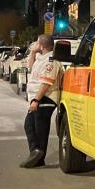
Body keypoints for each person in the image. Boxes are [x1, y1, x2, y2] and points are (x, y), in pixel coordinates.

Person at [21, 35, 63, 168]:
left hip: (46, 97)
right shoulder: (41, 58)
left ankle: (38, 156)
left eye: (36, 43)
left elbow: (46, 83)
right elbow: (30, 67)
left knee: (40, 129)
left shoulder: (51, 61)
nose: (34, 45)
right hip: (38, 97)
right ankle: (36, 155)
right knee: (30, 125)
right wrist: (33, 52)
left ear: (41, 45)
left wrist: (36, 100)